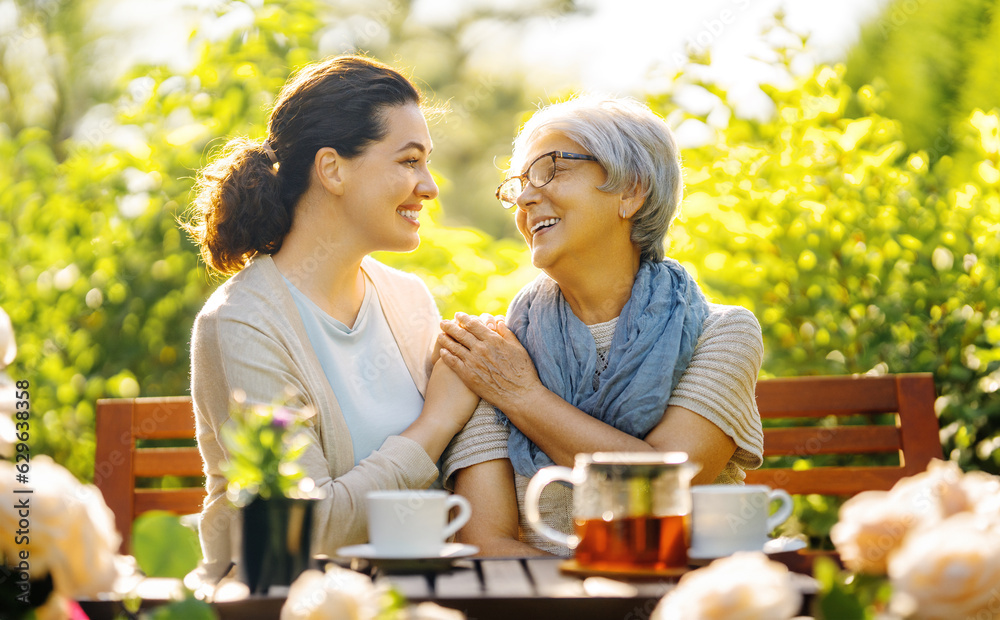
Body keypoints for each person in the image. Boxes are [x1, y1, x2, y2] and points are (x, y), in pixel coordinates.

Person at [183, 55, 478, 581]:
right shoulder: (242, 325)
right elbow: (302, 530)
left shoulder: (409, 300)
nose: (430, 186)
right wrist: (436, 424)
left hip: (410, 599)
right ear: (332, 169)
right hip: (282, 605)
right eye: (409, 162)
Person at [437, 97, 765, 556]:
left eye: (552, 169)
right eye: (520, 183)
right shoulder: (494, 349)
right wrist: (587, 600)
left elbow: (658, 489)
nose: (527, 197)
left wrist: (521, 396)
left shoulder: (724, 333)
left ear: (632, 191)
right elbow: (485, 540)